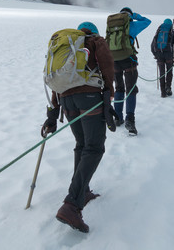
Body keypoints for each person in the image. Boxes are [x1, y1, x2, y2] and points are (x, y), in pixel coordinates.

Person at [41, 21, 117, 233]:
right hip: (90, 97)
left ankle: (81, 191)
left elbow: (58, 85)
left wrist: (52, 116)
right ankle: (72, 205)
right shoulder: (94, 41)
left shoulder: (67, 52)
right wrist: (109, 92)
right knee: (94, 148)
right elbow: (107, 65)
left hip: (67, 101)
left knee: (82, 145)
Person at [111, 7, 151, 135]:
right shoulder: (132, 25)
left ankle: (117, 117)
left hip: (114, 61)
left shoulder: (112, 26)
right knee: (131, 89)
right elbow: (147, 21)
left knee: (119, 88)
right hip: (129, 61)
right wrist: (136, 16)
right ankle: (130, 119)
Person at [151, 18, 174, 97]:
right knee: (169, 72)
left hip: (159, 55)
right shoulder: (172, 33)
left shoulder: (158, 31)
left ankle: (163, 92)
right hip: (169, 55)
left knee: (162, 73)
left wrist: (155, 55)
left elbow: (152, 45)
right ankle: (168, 88)